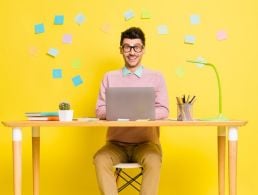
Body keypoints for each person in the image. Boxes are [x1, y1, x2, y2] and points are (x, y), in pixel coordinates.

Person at [94, 27, 169, 195]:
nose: (132, 52)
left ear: (143, 49)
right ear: (121, 49)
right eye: (127, 47)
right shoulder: (109, 77)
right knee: (99, 159)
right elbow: (99, 110)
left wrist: (140, 113)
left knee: (154, 160)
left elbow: (164, 110)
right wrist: (120, 111)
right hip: (116, 144)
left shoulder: (156, 77)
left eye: (137, 47)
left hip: (147, 144)